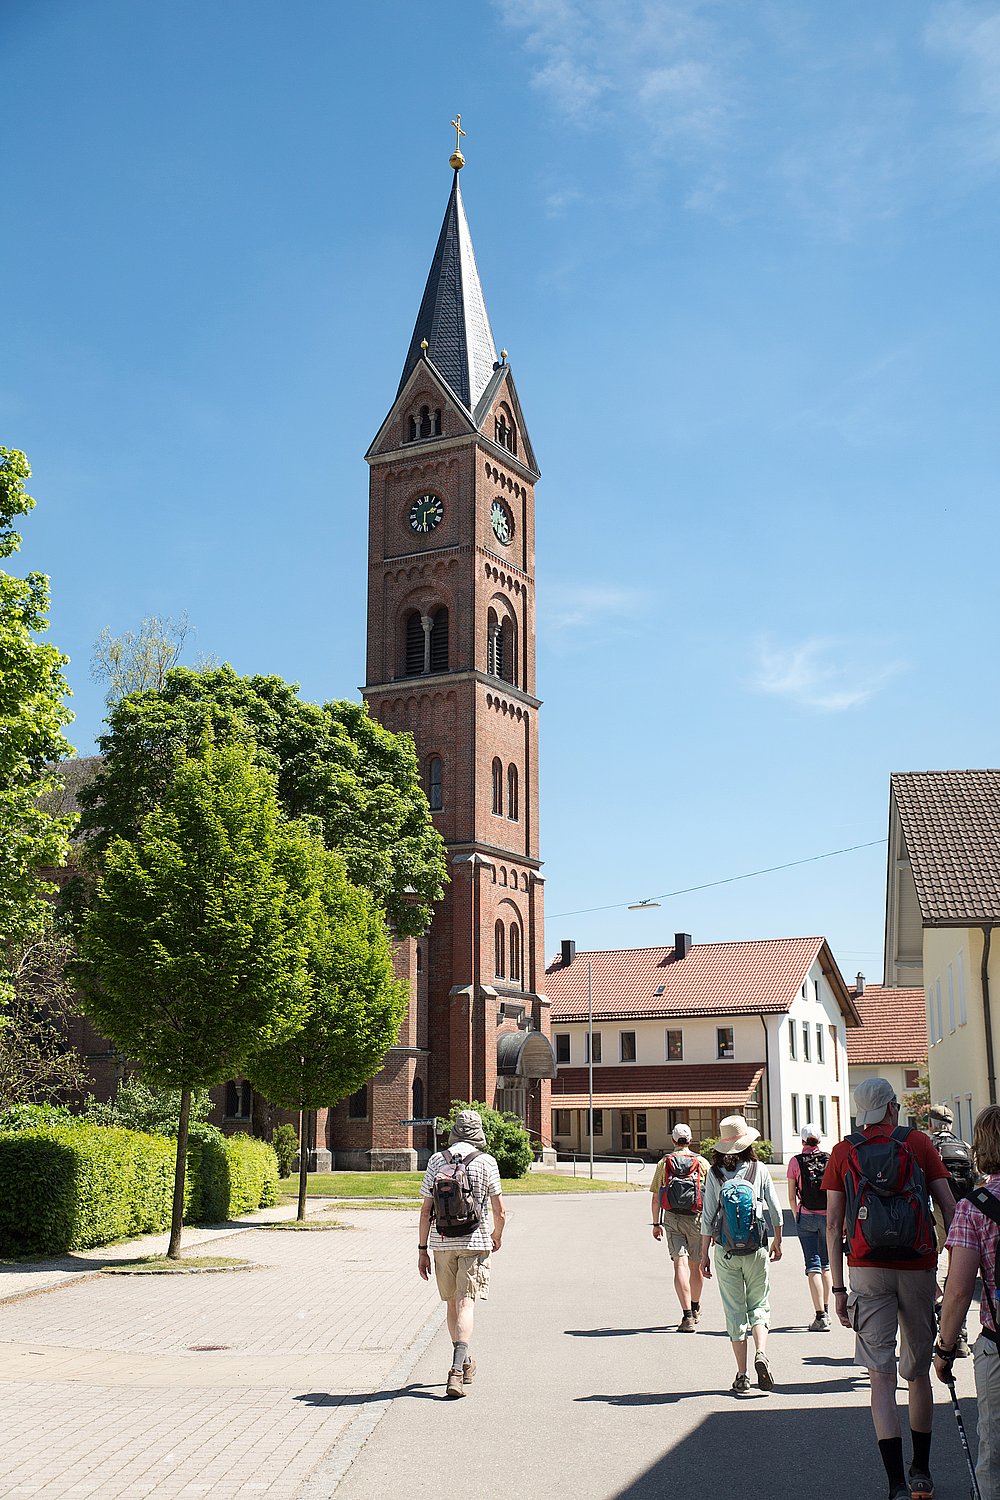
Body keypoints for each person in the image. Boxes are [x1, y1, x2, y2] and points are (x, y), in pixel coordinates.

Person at [824, 1077, 956, 1500]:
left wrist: (839, 1288)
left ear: (861, 1113)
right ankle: (921, 1471)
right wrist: (957, 1270)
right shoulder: (918, 1143)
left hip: (866, 1268)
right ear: (893, 1108)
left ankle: (895, 1484)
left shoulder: (844, 1150)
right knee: (917, 1374)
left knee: (880, 1377)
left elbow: (832, 1225)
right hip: (917, 1265)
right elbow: (949, 1206)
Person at [934, 1105, 1000, 1500]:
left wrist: (944, 1349)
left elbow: (958, 1290)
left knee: (994, 1448)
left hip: (997, 1342)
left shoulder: (973, 1208)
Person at [417, 1109, 505, 1399]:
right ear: (478, 1133)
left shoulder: (435, 1160)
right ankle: (456, 1369)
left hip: (441, 1243)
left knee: (452, 1305)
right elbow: (499, 1210)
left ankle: (465, 1361)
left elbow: (426, 1210)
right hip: (474, 1241)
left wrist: (422, 1250)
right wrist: (496, 1236)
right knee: (466, 1304)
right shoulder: (486, 1162)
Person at [699, 1114, 783, 1395]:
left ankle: (742, 1374)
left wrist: (704, 1255)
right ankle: (762, 1352)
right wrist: (778, 1241)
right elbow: (774, 1208)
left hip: (725, 1251)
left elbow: (708, 1216)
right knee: (759, 1304)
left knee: (735, 1311)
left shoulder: (713, 1173)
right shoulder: (759, 1169)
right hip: (756, 1246)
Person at [650, 1124, 711, 1332]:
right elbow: (711, 1194)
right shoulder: (701, 1162)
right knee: (696, 1266)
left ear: (673, 1141)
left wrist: (656, 1224)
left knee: (680, 1265)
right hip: (696, 1219)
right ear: (691, 1141)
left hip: (673, 1218)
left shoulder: (664, 1163)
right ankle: (695, 1308)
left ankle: (686, 1317)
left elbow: (656, 1197)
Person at [928, 1101, 976, 1359]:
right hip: (965, 1214)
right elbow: (978, 1181)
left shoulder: (929, 1146)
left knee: (938, 1274)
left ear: (930, 1124)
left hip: (938, 1215)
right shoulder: (965, 1147)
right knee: (961, 1274)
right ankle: (962, 1333)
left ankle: (944, 1324)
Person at [787, 1123, 832, 1331]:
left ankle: (819, 1316)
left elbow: (790, 1195)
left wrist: (797, 1215)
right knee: (826, 1264)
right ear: (819, 1140)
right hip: (828, 1216)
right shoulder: (829, 1159)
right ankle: (827, 1310)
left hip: (806, 1215)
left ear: (802, 1141)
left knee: (812, 1264)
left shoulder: (795, 1162)